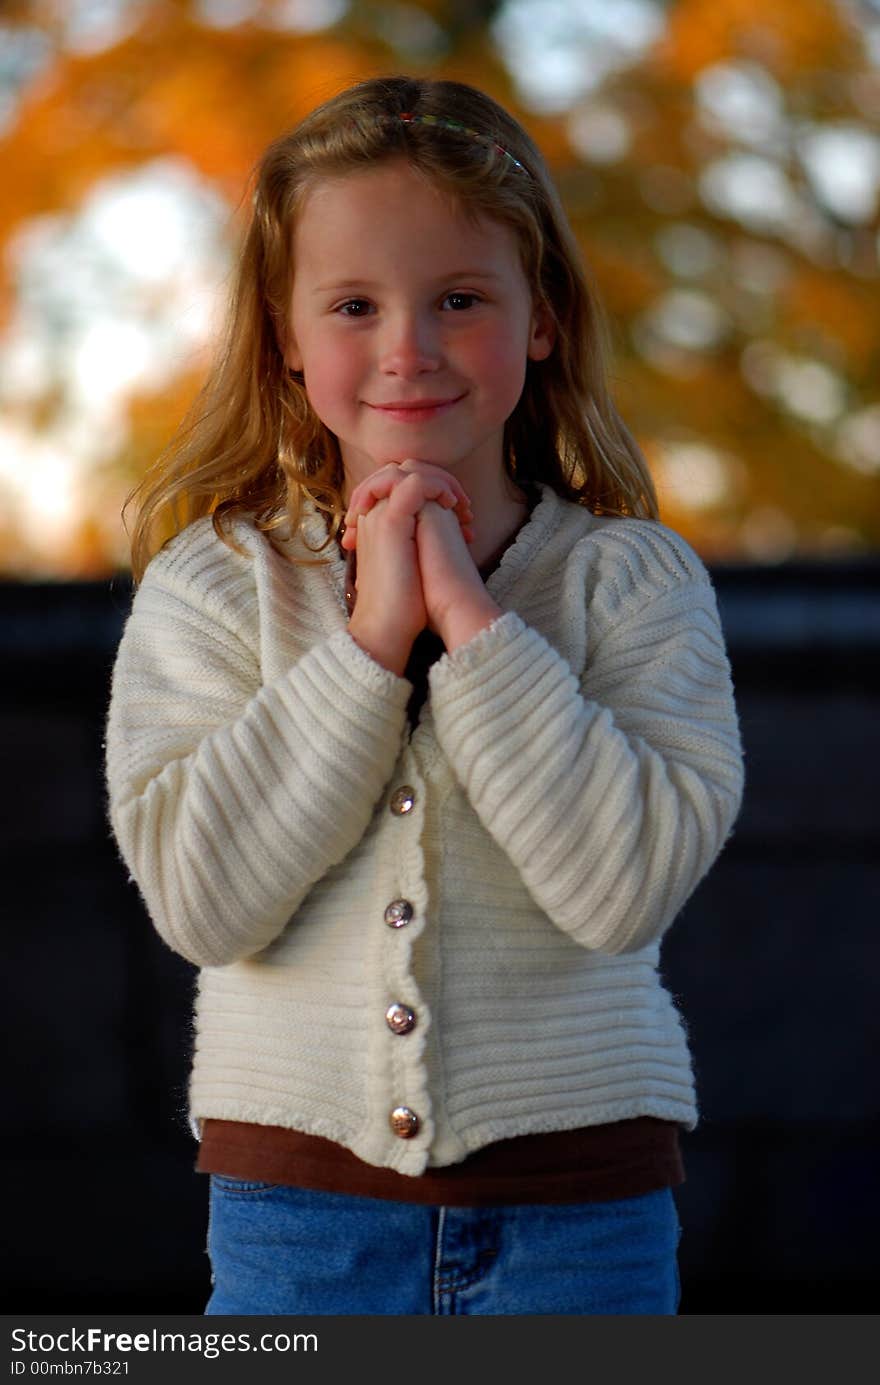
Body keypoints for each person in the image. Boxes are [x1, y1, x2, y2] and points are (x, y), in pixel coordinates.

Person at [104, 74, 745, 1316]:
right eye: (353, 304)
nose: (407, 348)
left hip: (585, 1223)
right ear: (285, 335)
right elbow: (201, 898)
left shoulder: (634, 583)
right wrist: (370, 636)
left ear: (542, 318)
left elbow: (621, 890)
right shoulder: (213, 589)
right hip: (297, 1228)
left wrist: (471, 618)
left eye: (460, 299)